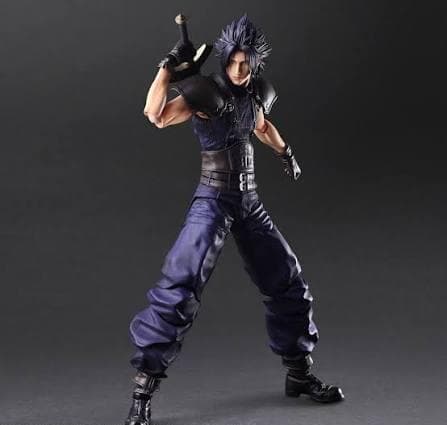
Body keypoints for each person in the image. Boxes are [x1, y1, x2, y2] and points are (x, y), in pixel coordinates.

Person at [124, 14, 344, 425]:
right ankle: (142, 392)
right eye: (234, 63)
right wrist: (167, 68)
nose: (240, 70)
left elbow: (262, 126)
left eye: (247, 64)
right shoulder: (205, 93)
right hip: (213, 199)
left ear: (255, 64)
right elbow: (155, 114)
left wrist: (286, 153)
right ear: (224, 60)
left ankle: (299, 373)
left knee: (287, 279)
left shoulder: (256, 93)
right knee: (179, 286)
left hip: (249, 201)